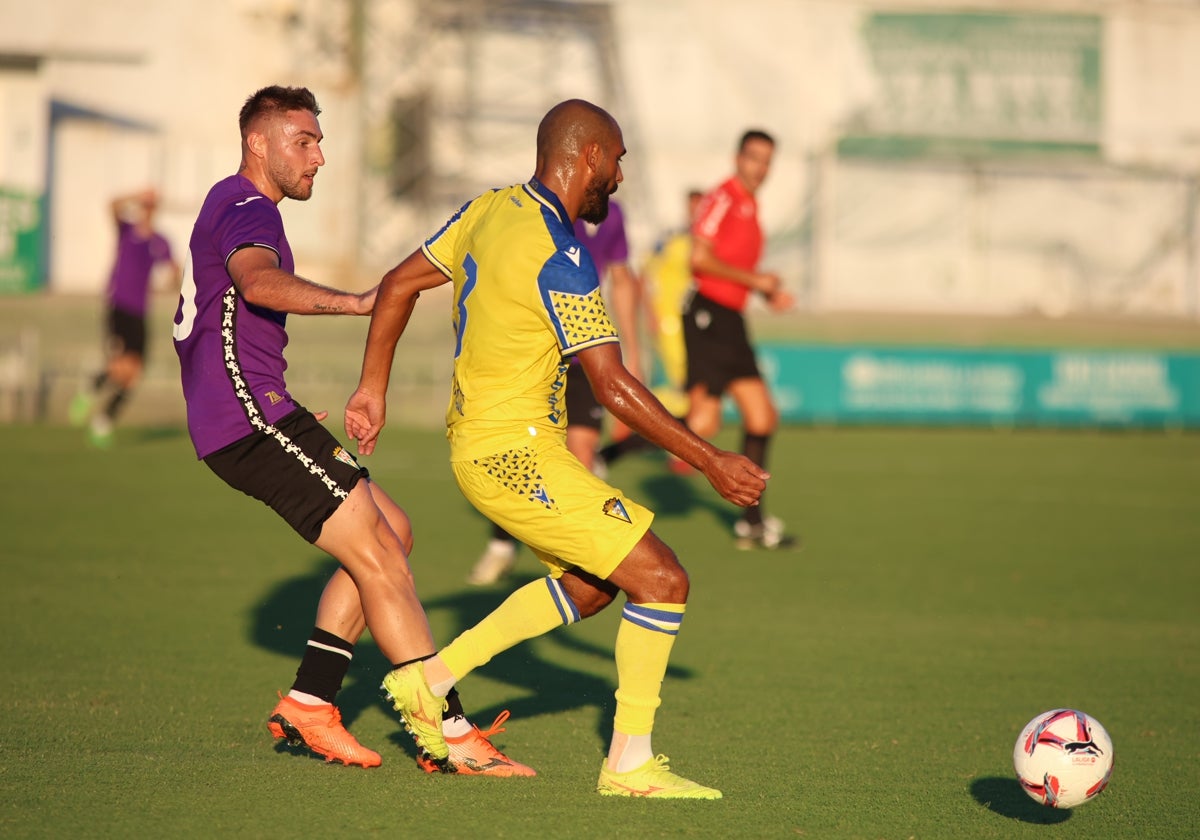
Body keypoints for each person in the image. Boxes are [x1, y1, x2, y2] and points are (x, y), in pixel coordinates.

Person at [346, 98, 769, 798]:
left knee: (597, 585)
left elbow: (397, 284)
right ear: (591, 156)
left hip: (486, 446)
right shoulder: (564, 255)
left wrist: (372, 389)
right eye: (620, 159)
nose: (622, 176)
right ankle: (629, 765)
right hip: (513, 452)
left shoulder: (489, 210)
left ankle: (433, 680)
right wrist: (710, 459)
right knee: (663, 579)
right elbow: (611, 385)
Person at [171, 85, 531, 777]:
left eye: (318, 140)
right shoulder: (245, 205)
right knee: (381, 558)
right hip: (249, 421)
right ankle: (449, 734)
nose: (319, 156)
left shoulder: (236, 204)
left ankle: (310, 702)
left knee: (391, 532)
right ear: (259, 143)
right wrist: (360, 302)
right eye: (303, 141)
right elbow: (257, 285)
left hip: (257, 412)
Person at [467, 200, 640, 586]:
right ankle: (502, 546)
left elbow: (624, 280)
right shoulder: (541, 215)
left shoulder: (613, 215)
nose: (619, 174)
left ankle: (576, 559)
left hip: (583, 357)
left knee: (578, 458)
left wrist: (634, 353)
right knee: (520, 458)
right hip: (535, 358)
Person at [684, 129, 797, 550]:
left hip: (731, 317)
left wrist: (766, 291)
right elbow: (699, 258)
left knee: (762, 417)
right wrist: (756, 280)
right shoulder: (724, 198)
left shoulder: (751, 205)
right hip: (708, 314)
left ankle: (751, 523)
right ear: (738, 157)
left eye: (767, 160)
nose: (760, 167)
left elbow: (734, 268)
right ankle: (610, 455)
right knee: (702, 424)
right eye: (754, 157)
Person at [70, 188, 179, 448]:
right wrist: (138, 193)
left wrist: (174, 279)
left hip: (140, 312)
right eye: (146, 205)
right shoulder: (127, 231)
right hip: (119, 306)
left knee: (134, 372)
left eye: (152, 206)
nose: (148, 210)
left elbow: (173, 271)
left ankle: (103, 418)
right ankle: (93, 395)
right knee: (121, 366)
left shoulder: (160, 241)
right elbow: (112, 204)